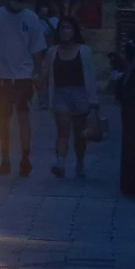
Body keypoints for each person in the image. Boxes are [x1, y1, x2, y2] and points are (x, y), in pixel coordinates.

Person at [0, 0, 48, 176]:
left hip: (23, 76)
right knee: (3, 120)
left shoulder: (31, 18)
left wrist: (39, 73)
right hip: (1, 75)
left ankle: (25, 158)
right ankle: (5, 159)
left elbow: (36, 49)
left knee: (23, 117)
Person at [47, 16, 99, 179]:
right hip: (60, 94)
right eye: (62, 28)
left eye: (69, 28)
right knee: (62, 130)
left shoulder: (84, 51)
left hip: (80, 94)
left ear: (74, 31)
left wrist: (93, 102)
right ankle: (60, 163)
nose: (65, 31)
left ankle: (79, 162)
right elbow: (46, 72)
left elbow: (90, 75)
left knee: (79, 135)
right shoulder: (53, 51)